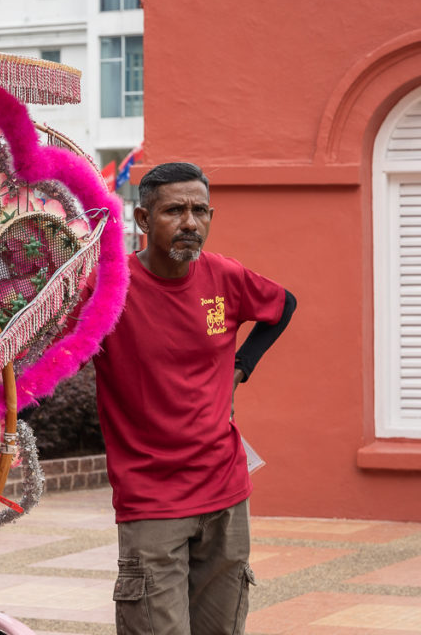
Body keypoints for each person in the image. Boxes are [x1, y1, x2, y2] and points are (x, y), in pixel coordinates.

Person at [92, 162, 296, 635]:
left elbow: (283, 305)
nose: (190, 223)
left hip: (226, 493)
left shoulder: (224, 276)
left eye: (200, 211)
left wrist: (241, 368)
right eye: (174, 211)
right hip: (151, 501)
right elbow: (53, 339)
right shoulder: (108, 288)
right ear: (143, 220)